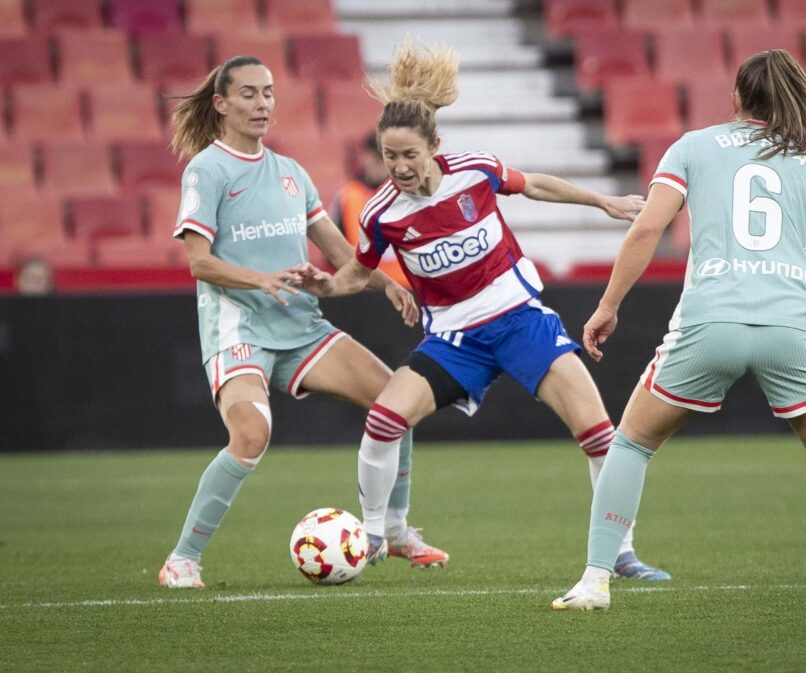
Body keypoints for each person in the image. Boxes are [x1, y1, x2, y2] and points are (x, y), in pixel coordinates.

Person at [552, 50, 806, 611]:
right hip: (790, 330)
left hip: (710, 323)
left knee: (631, 441)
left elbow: (648, 228)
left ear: (736, 98)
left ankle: (597, 582)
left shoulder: (693, 146)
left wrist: (608, 306)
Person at [295, 41, 669, 580]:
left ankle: (622, 553)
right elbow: (356, 272)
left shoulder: (473, 171)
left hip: (520, 321)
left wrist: (602, 201)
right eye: (390, 155)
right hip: (453, 342)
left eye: (409, 155)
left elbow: (534, 184)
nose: (398, 166)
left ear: (434, 147)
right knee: (383, 419)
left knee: (599, 434)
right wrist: (324, 287)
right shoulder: (381, 213)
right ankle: (375, 534)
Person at [159, 55, 448, 589]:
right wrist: (260, 280)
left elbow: (345, 255)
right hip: (238, 328)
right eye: (248, 93)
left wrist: (388, 286)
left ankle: (396, 529)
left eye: (268, 92)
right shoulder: (207, 169)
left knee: (397, 401)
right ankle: (183, 559)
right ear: (221, 104)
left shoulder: (291, 174)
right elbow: (198, 262)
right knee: (251, 434)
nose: (262, 103)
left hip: (301, 329)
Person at [328, 134, 409, 287]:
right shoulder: (346, 197)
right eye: (376, 158)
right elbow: (333, 250)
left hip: (408, 287)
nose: (380, 165)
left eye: (384, 159)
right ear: (366, 157)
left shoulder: (411, 196)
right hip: (365, 291)